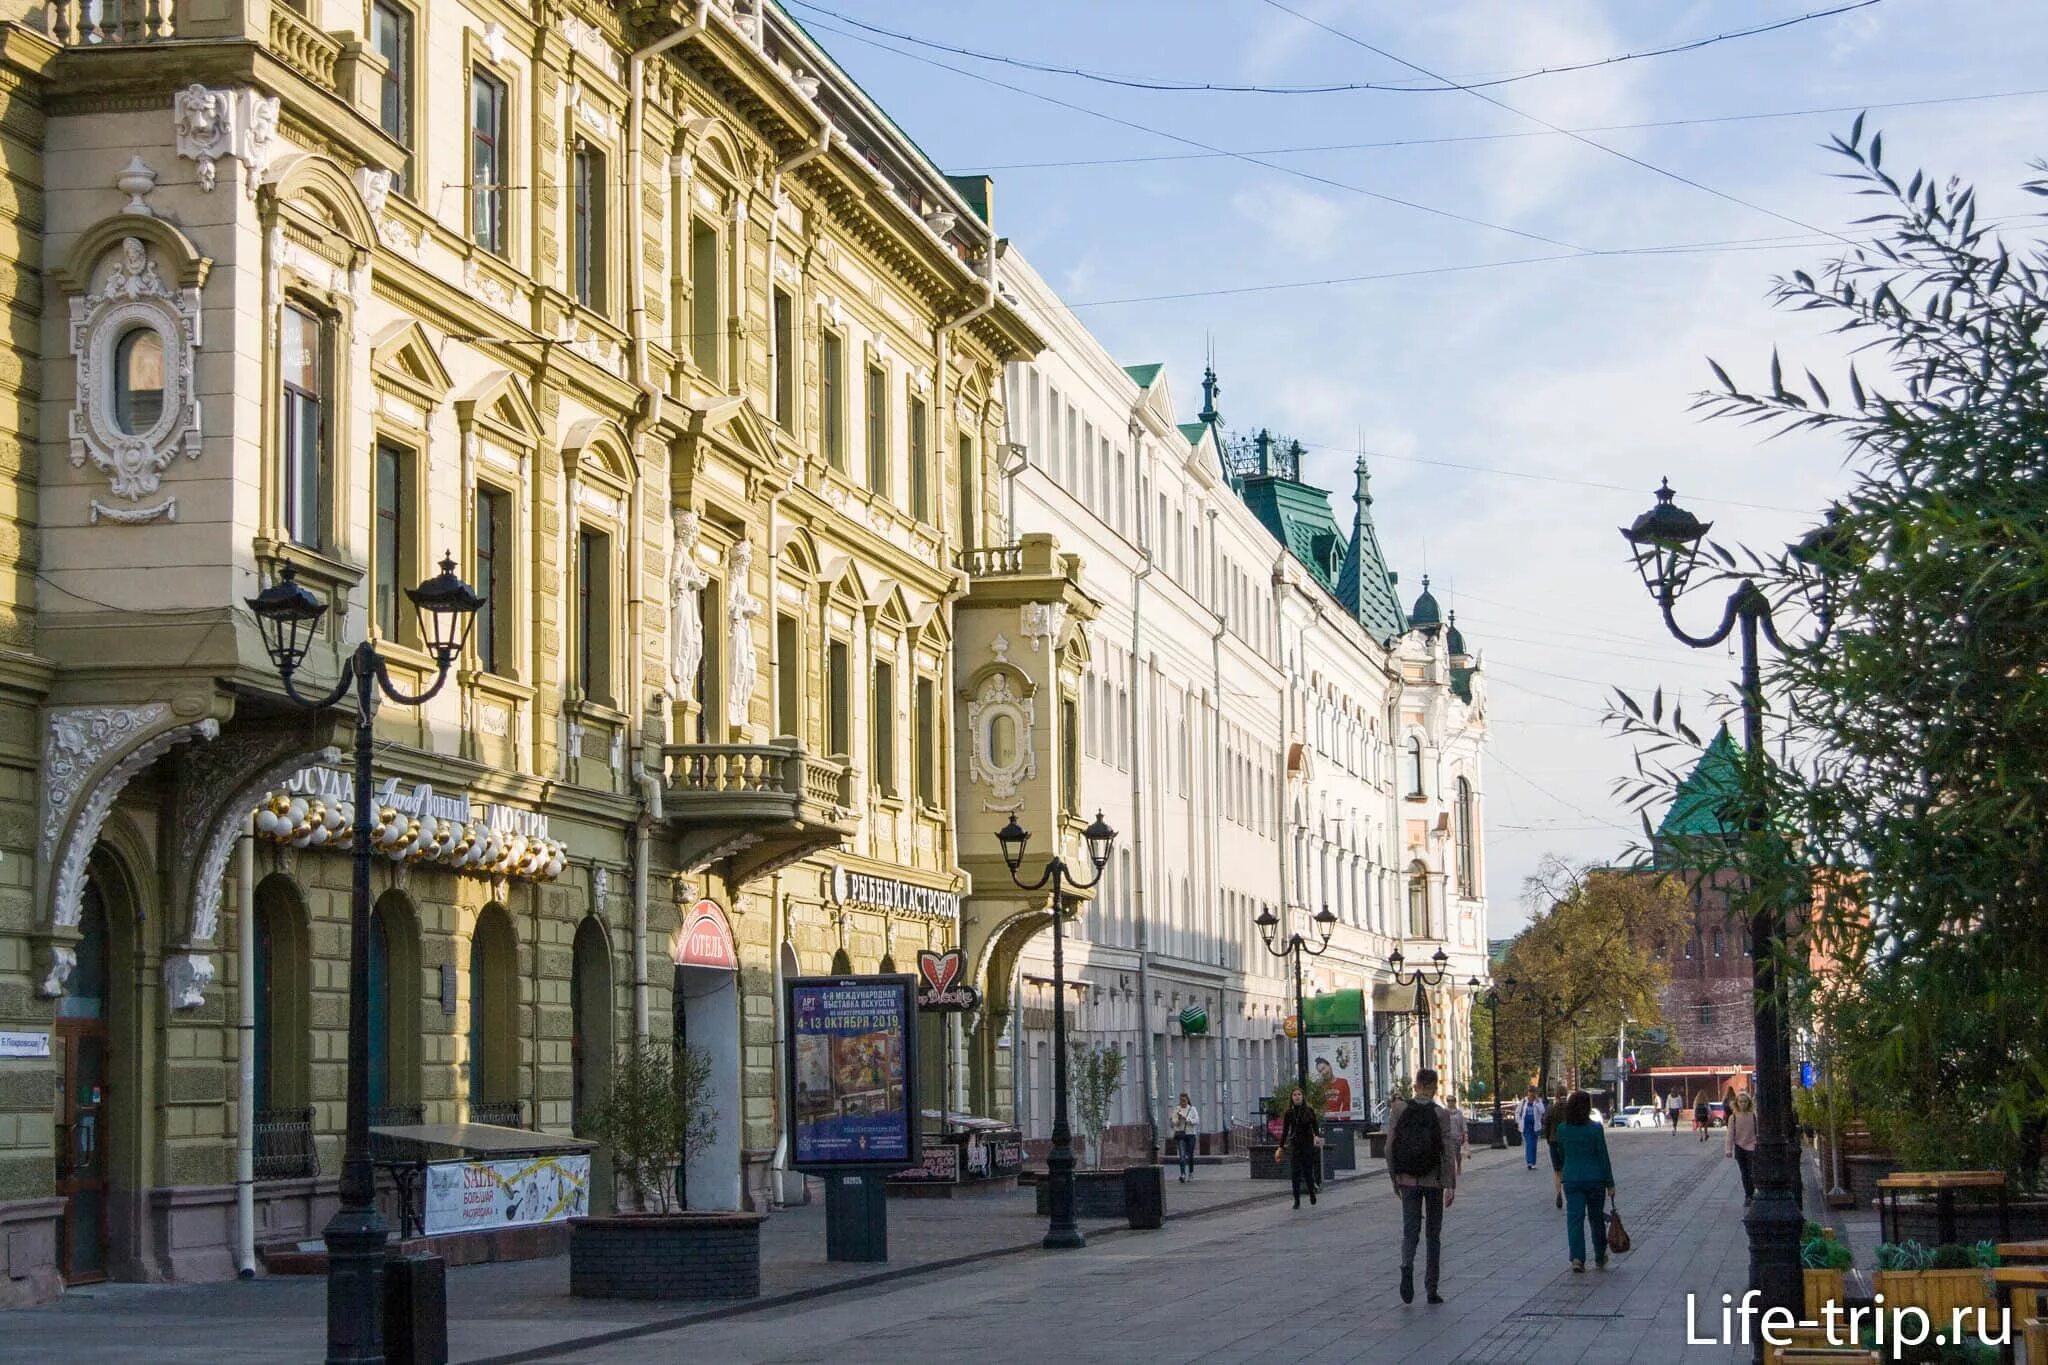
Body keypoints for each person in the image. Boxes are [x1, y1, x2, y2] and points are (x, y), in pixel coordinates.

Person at [1386, 1068, 1466, 1306]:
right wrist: (1450, 1184)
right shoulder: (1440, 1113)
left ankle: (1406, 1265)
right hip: (1433, 1181)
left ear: (1416, 1085)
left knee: (1410, 1230)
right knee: (1433, 1234)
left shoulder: (1399, 1109)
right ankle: (1432, 1288)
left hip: (1407, 1179)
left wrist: (1394, 1177)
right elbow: (1447, 1148)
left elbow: (1389, 1147)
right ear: (1434, 1087)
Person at [1548, 1090, 1617, 1272]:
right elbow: (1603, 1157)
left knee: (1575, 1219)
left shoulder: (1563, 1129)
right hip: (1595, 1179)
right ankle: (1600, 1255)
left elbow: (1561, 1153)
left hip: (1572, 1179)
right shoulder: (1595, 1129)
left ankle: (1577, 1258)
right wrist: (1610, 1183)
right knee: (1596, 1219)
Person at [1276, 1086, 1323, 1209]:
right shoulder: (1289, 1113)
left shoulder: (1309, 1110)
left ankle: (1312, 1193)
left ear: (1303, 1097)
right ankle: (1296, 1200)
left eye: (1299, 1095)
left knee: (1308, 1172)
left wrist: (1317, 1136)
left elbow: (1315, 1125)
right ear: (1292, 1098)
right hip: (1295, 1145)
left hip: (1307, 1144)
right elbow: (1285, 1131)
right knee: (1295, 1173)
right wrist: (1281, 1146)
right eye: (1295, 1095)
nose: (1297, 1097)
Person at [1725, 1090, 1758, 1204]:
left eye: (1745, 1101)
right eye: (1740, 1102)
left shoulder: (1753, 1116)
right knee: (1744, 1173)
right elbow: (1730, 1135)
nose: (1743, 1104)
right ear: (1737, 1103)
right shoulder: (1733, 1117)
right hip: (1740, 1148)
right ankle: (1748, 1195)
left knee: (1752, 1172)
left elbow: (1758, 1132)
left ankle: (1753, 1192)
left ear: (1749, 1103)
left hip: (1752, 1147)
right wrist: (1728, 1150)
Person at [1514, 1088, 1547, 1170]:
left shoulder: (1538, 1101)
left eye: (1533, 1093)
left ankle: (1533, 1162)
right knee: (1529, 1143)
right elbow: (1517, 1112)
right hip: (1526, 1126)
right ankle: (1529, 1162)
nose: (1531, 1095)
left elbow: (1542, 1111)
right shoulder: (1524, 1101)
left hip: (1535, 1127)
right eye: (1530, 1093)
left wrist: (1537, 1102)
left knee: (1534, 1145)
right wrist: (1518, 1121)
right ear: (1528, 1093)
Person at [1170, 1091, 1199, 1183]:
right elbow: (1173, 1122)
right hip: (1181, 1134)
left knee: (1190, 1155)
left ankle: (1191, 1173)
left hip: (1191, 1135)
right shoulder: (1177, 1109)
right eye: (1181, 1100)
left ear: (1187, 1100)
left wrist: (1188, 1120)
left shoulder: (1192, 1109)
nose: (1183, 1102)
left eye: (1184, 1100)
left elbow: (1197, 1120)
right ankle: (1182, 1174)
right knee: (1182, 1156)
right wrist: (1177, 1120)